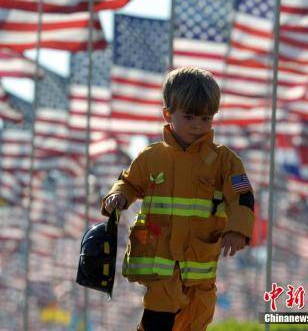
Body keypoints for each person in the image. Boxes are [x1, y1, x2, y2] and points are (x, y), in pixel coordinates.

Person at [101, 67, 255, 331]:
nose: (198, 125)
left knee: (196, 318)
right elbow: (128, 182)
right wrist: (117, 196)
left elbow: (242, 196)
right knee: (159, 313)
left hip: (199, 262)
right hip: (160, 258)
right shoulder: (151, 158)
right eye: (189, 117)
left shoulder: (224, 161)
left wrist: (238, 230)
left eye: (206, 118)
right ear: (168, 114)